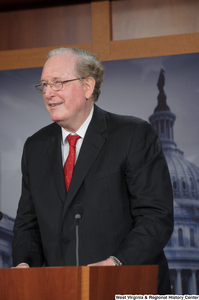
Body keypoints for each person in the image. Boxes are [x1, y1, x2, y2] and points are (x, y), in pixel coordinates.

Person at [12, 47, 173, 294]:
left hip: (126, 287)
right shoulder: (35, 147)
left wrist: (116, 263)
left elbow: (156, 217)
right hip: (62, 290)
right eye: (44, 84)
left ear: (88, 86)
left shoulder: (133, 135)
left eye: (58, 83)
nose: (48, 93)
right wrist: (24, 264)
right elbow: (27, 224)